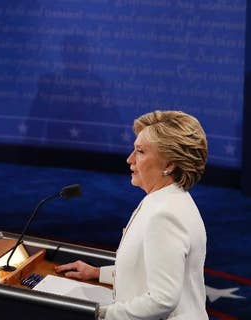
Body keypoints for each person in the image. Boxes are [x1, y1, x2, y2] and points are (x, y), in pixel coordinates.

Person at [55, 110, 209, 319]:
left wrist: (101, 315)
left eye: (140, 151)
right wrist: (98, 273)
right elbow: (151, 271)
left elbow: (162, 299)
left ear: (169, 165)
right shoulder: (167, 200)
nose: (130, 159)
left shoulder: (165, 215)